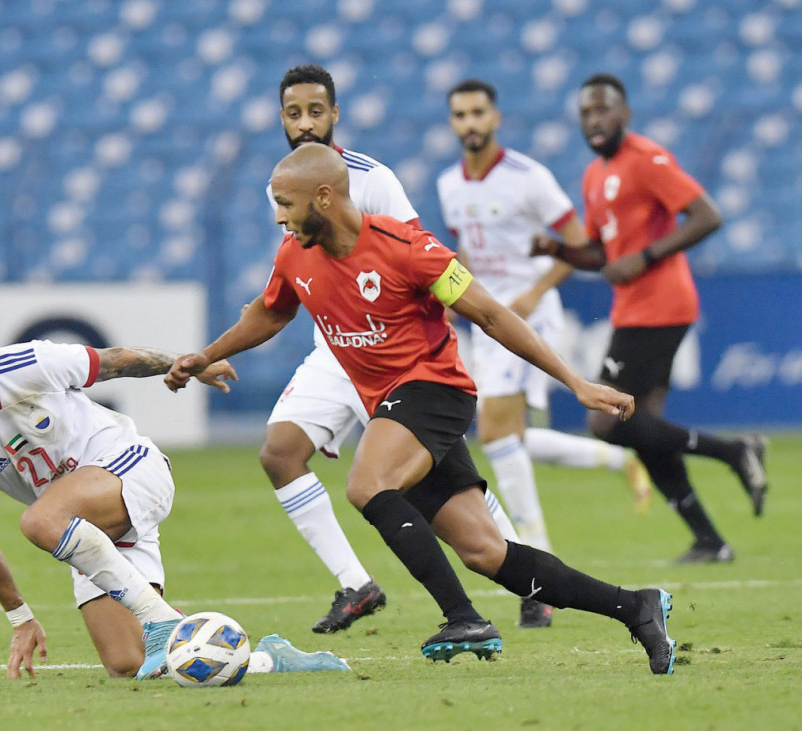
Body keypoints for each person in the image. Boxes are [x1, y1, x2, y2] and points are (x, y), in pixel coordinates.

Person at [167, 144, 678, 675]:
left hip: (435, 391)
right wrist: (207, 355)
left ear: (323, 197)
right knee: (486, 553)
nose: (279, 217)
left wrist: (575, 383)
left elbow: (490, 314)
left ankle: (463, 617)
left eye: (286, 204)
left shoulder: (408, 247)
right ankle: (635, 607)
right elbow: (271, 313)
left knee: (367, 484)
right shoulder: (294, 256)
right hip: (394, 409)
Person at [0, 309, 347, 680]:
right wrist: (19, 617)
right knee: (128, 663)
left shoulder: (25, 364)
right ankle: (269, 659)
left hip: (130, 467)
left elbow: (115, 360)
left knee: (38, 521)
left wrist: (189, 364)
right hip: (84, 529)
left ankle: (159, 620)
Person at [261, 64, 521, 634]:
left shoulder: (372, 178)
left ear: (335, 114)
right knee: (279, 453)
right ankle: (356, 583)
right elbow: (288, 285)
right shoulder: (283, 185)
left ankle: (527, 574)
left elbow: (418, 260)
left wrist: (430, 346)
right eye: (294, 113)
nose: (305, 124)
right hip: (337, 349)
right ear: (281, 118)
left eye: (315, 111)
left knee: (447, 478)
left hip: (395, 352)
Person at [437, 79, 653, 626]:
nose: (469, 123)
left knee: (495, 433)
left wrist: (534, 291)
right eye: (460, 114)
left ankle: (538, 579)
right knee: (508, 439)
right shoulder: (448, 184)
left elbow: (581, 246)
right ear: (452, 122)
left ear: (495, 117)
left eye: (478, 112)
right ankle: (616, 461)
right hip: (486, 319)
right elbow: (465, 251)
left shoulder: (528, 177)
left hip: (530, 320)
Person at [531, 73, 768, 563]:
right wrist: (557, 249)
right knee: (642, 426)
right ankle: (709, 540)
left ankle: (734, 451)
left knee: (606, 420)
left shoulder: (647, 158)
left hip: (661, 305)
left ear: (625, 114)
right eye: (586, 112)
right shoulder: (594, 175)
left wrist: (647, 256)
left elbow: (707, 215)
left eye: (603, 109)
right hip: (633, 308)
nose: (594, 120)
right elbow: (602, 253)